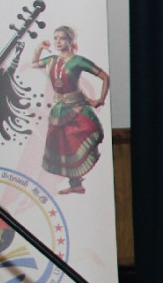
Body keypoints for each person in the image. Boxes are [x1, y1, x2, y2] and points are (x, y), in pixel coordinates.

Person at [31, 26, 110, 193]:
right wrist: (39, 48)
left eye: (62, 38)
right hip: (59, 110)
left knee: (80, 141)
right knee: (63, 145)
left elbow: (104, 77)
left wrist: (100, 99)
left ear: (70, 40)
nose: (58, 42)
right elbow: (34, 64)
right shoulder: (51, 60)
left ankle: (78, 184)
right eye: (56, 38)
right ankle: (76, 185)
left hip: (77, 107)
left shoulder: (78, 61)